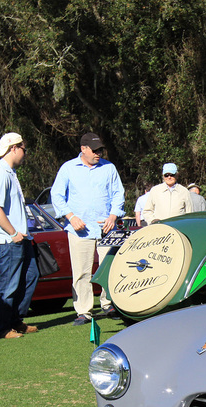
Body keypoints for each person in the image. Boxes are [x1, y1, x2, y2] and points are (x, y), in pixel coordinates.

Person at [50, 132, 125, 324]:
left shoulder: (109, 168)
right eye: (95, 150)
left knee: (109, 267)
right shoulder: (68, 168)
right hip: (79, 229)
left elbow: (118, 194)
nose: (98, 153)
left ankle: (109, 304)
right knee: (82, 271)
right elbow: (56, 195)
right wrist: (71, 217)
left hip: (107, 228)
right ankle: (84, 311)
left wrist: (113, 215)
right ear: (83, 149)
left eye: (100, 149)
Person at [0, 132, 38, 341]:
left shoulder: (10, 172)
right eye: (24, 149)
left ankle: (15, 321)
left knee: (30, 276)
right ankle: (1, 328)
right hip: (8, 240)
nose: (25, 154)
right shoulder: (0, 173)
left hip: (21, 237)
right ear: (13, 148)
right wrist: (12, 232)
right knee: (8, 284)